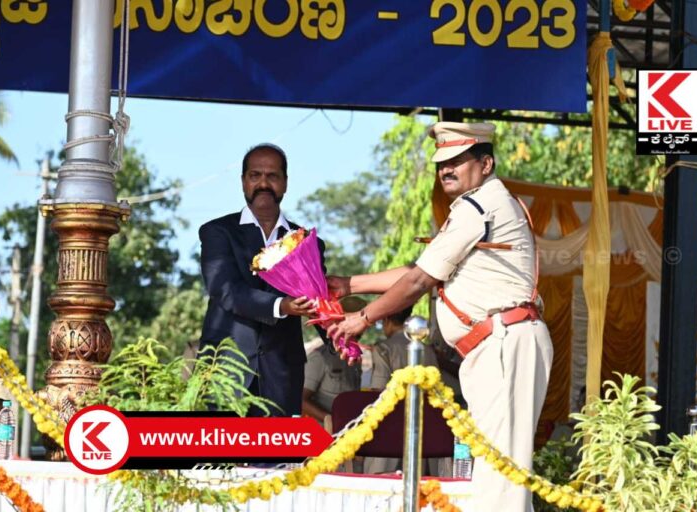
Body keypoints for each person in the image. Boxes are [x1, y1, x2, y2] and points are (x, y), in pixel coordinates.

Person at [328, 122, 553, 512]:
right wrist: (347, 284)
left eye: (457, 161)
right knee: (498, 469)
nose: (446, 169)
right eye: (441, 163)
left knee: (501, 474)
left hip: (504, 339)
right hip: (498, 342)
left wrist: (361, 317)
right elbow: (422, 269)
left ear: (486, 164)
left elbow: (419, 280)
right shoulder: (481, 205)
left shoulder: (478, 204)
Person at [199, 143, 323, 417]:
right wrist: (282, 306)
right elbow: (226, 291)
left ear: (285, 183)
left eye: (272, 176)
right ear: (244, 181)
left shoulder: (308, 242)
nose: (263, 183)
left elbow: (319, 300)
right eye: (255, 175)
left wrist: (342, 334)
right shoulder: (217, 232)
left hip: (282, 377)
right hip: (226, 373)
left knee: (276, 458)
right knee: (224, 458)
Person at [364, 305, 441, 475]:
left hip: (389, 429)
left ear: (386, 320)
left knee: (379, 482)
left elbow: (379, 392)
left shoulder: (384, 348)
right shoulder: (427, 350)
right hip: (424, 428)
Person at [302, 297, 365, 430]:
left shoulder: (355, 358)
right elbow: (301, 400)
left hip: (349, 434)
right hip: (323, 436)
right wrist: (330, 419)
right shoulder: (320, 357)